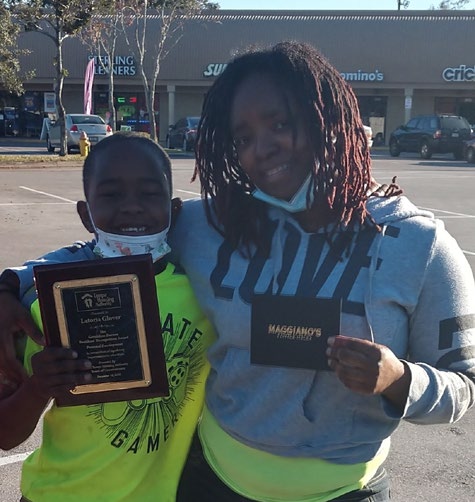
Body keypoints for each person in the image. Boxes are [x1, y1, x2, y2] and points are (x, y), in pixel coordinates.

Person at [0, 41, 474, 501]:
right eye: (242, 138)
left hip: (343, 492)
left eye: (280, 123)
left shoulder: (420, 246)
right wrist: (10, 286)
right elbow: (108, 246)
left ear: (327, 118)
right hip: (213, 484)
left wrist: (399, 380)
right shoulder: (211, 224)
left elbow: (463, 386)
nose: (260, 149)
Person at [0, 133, 215, 502]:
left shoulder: (206, 299)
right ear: (86, 214)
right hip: (55, 495)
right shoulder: (45, 306)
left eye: (149, 193)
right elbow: (6, 436)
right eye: (112, 194)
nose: (132, 207)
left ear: (174, 209)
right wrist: (38, 388)